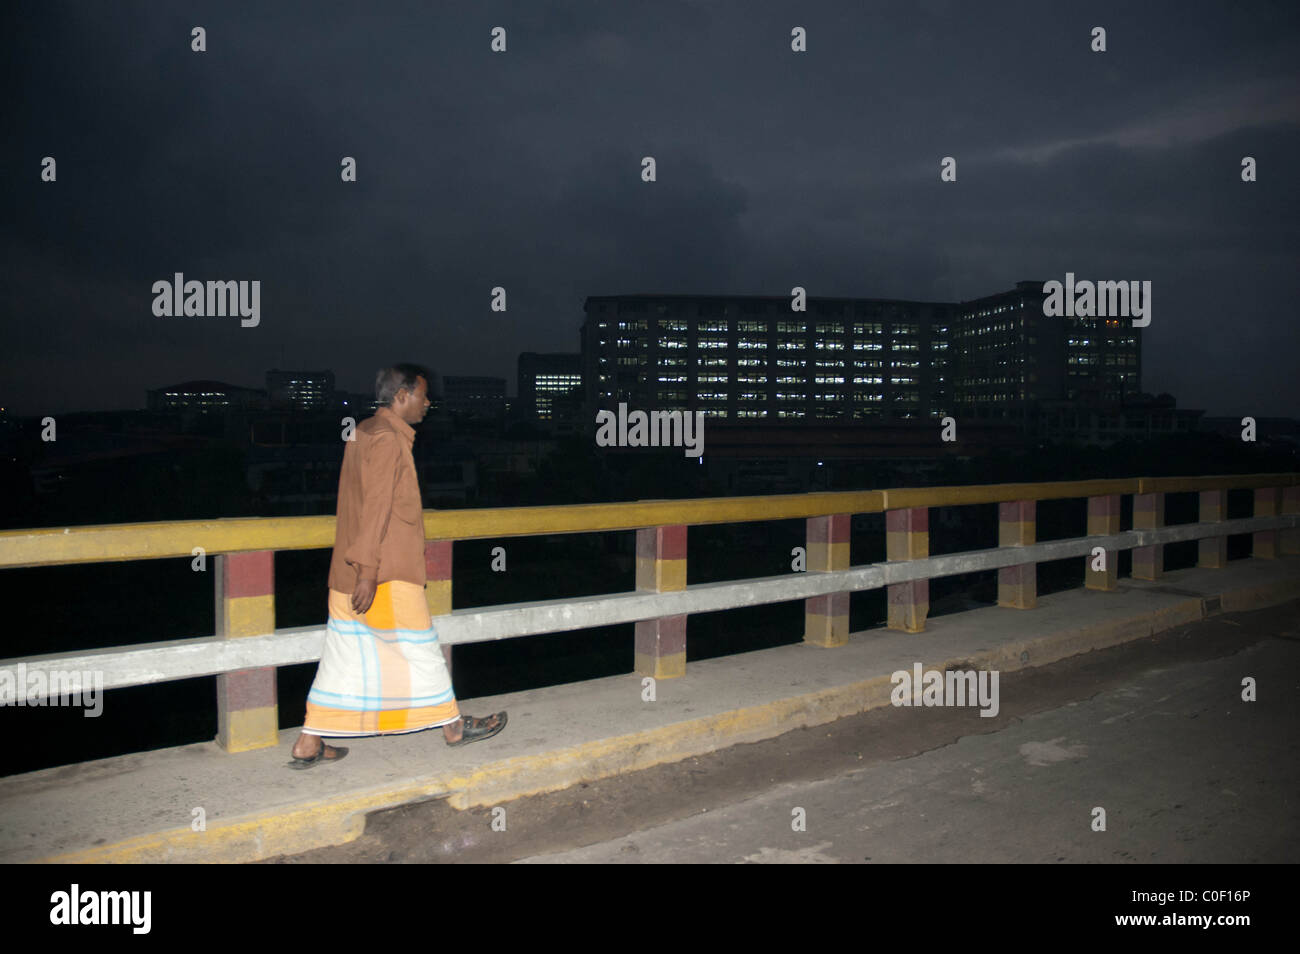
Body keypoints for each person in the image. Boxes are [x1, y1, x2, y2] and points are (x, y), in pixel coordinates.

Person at [289, 364, 506, 768]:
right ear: (402, 395)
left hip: (347, 569)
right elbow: (377, 509)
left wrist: (359, 567)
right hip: (384, 572)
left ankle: (308, 741)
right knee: (421, 648)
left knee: (344, 652)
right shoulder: (389, 440)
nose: (428, 403)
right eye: (423, 395)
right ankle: (453, 728)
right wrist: (369, 571)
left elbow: (359, 506)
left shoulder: (364, 430)